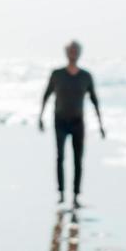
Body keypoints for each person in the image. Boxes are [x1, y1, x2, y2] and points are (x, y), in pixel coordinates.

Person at [37, 40, 104, 207]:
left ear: (79, 53)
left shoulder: (85, 76)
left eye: (76, 50)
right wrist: (40, 117)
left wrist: (101, 124)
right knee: (60, 157)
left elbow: (95, 100)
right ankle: (61, 193)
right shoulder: (57, 74)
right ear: (66, 52)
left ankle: (75, 196)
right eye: (70, 50)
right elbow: (46, 95)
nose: (73, 53)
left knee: (78, 160)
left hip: (78, 122)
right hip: (60, 121)